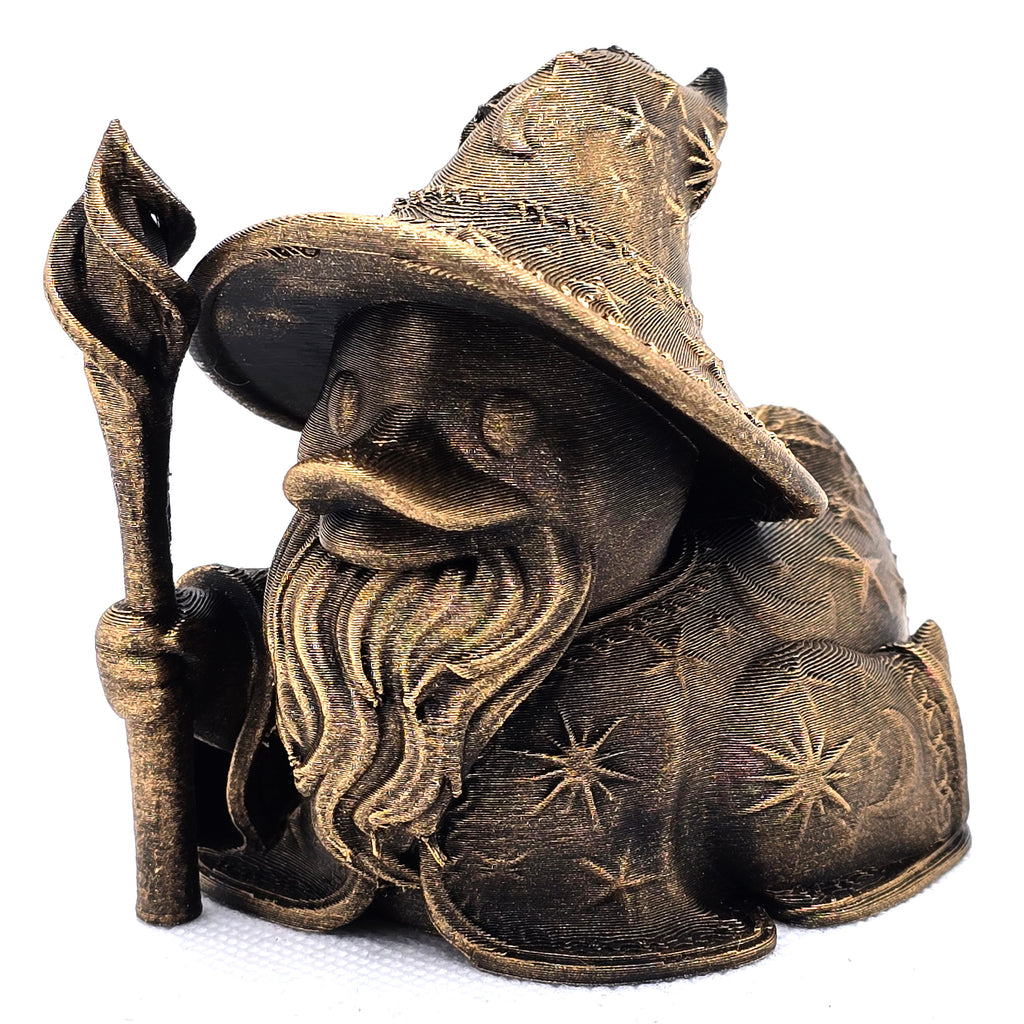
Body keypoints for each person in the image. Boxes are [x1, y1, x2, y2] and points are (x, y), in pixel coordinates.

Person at [95, 48, 967, 983]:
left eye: (499, 428)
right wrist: (196, 659)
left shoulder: (765, 701)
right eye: (349, 407)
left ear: (668, 468)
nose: (367, 466)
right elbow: (311, 653)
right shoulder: (351, 591)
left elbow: (886, 785)